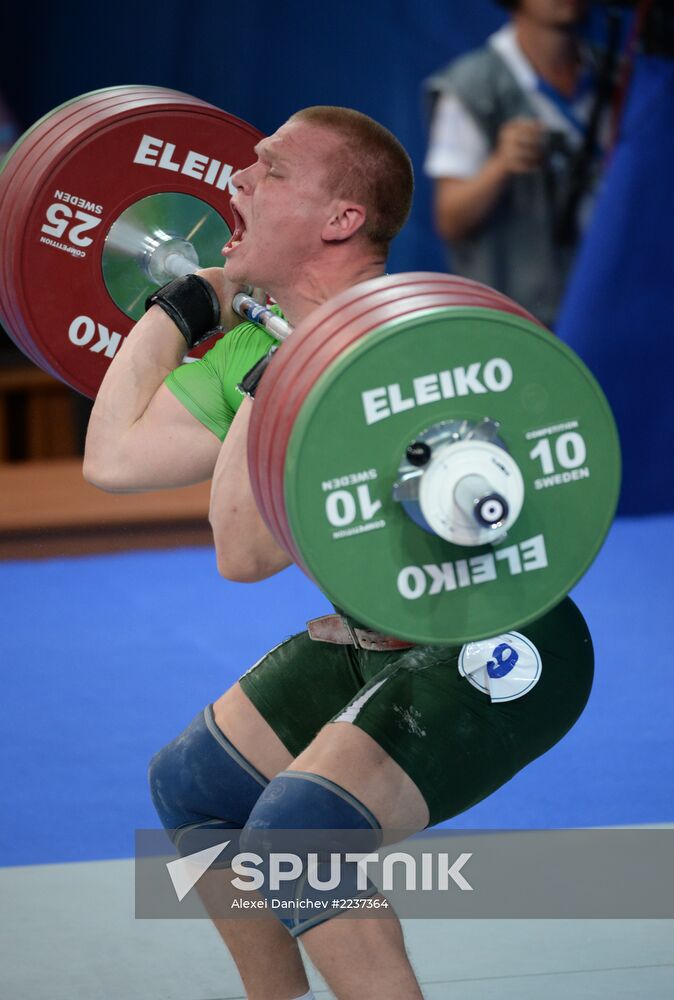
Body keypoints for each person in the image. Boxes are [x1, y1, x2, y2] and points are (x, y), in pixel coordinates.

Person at [84, 106, 593, 1000]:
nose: (238, 180)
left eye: (272, 170)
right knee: (193, 789)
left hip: (505, 641)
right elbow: (112, 458)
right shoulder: (259, 344)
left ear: (341, 219)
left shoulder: (407, 337)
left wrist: (281, 372)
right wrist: (187, 304)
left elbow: (244, 554)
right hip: (380, 635)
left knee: (300, 835)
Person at [425, 0, 608, 328]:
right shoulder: (473, 84)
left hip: (611, 308)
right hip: (522, 326)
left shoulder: (619, 76)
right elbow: (449, 218)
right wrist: (500, 166)